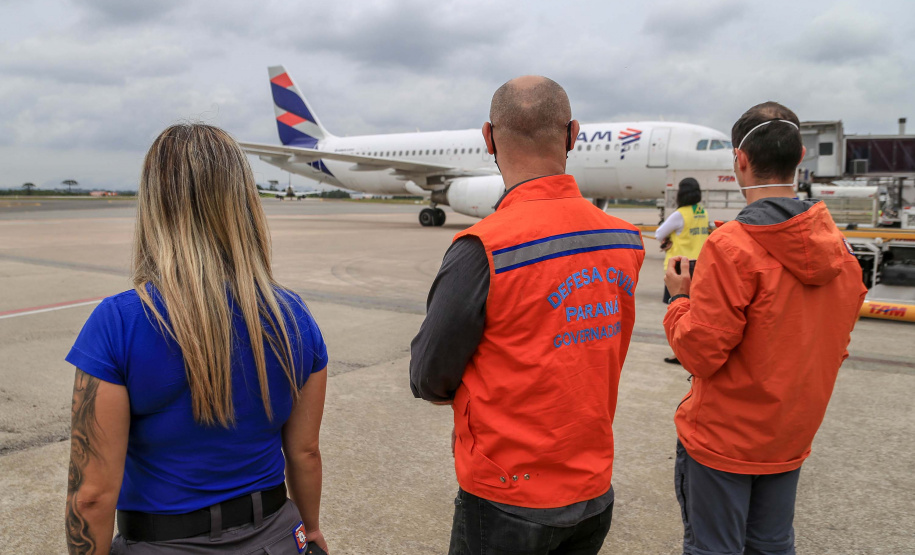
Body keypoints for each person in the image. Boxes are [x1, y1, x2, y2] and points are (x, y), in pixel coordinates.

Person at [64, 124, 330, 554]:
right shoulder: (292, 316)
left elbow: (91, 495)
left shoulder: (120, 322)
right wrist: (310, 529)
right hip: (275, 538)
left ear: (154, 205)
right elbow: (305, 453)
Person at [410, 76, 645, 555]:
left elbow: (428, 375)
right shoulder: (624, 239)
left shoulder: (484, 247)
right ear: (573, 134)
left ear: (488, 137)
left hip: (508, 496)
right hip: (593, 488)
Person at [663, 102, 867, 555]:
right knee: (772, 545)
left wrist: (680, 300)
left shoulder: (731, 245)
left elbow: (701, 353)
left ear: (740, 159)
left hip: (724, 439)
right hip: (790, 434)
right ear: (800, 157)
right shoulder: (843, 253)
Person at [655, 177, 708, 364]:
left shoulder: (680, 214)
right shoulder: (702, 212)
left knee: (677, 311)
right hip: (700, 265)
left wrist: (667, 239)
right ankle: (692, 349)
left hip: (680, 267)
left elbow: (658, 233)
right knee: (694, 310)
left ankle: (679, 352)